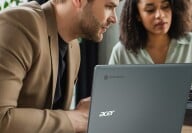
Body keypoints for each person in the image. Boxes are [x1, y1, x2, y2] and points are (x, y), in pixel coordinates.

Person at [0, 0, 120, 133]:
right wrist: (76, 119)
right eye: (109, 6)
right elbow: (2, 120)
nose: (114, 18)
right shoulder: (19, 25)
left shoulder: (73, 48)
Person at [109, 0, 192, 85]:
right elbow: (110, 97)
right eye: (150, 10)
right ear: (137, 15)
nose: (160, 15)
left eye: (165, 6)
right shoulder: (121, 52)